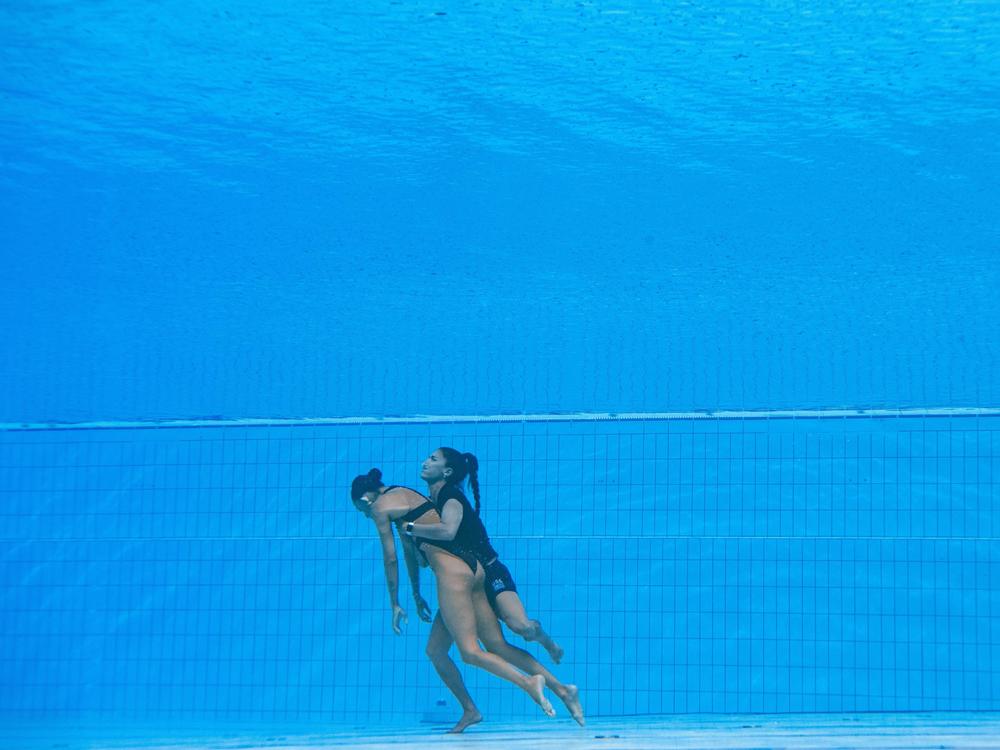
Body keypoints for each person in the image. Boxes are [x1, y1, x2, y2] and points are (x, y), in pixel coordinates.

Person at [350, 468, 558, 729]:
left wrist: (395, 603)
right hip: (473, 569)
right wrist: (416, 594)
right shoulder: (405, 496)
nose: (366, 515)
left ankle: (529, 683)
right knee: (439, 650)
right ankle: (471, 710)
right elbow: (410, 555)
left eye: (362, 511)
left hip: (453, 576)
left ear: (364, 500)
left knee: (470, 652)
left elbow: (390, 558)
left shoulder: (380, 508)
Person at [407, 448, 584, 729]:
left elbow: (449, 531)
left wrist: (410, 529)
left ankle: (547, 642)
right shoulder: (431, 502)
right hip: (465, 581)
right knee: (479, 647)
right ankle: (562, 691)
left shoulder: (450, 496)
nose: (425, 462)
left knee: (521, 628)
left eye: (433, 459)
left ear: (448, 471)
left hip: (490, 571)